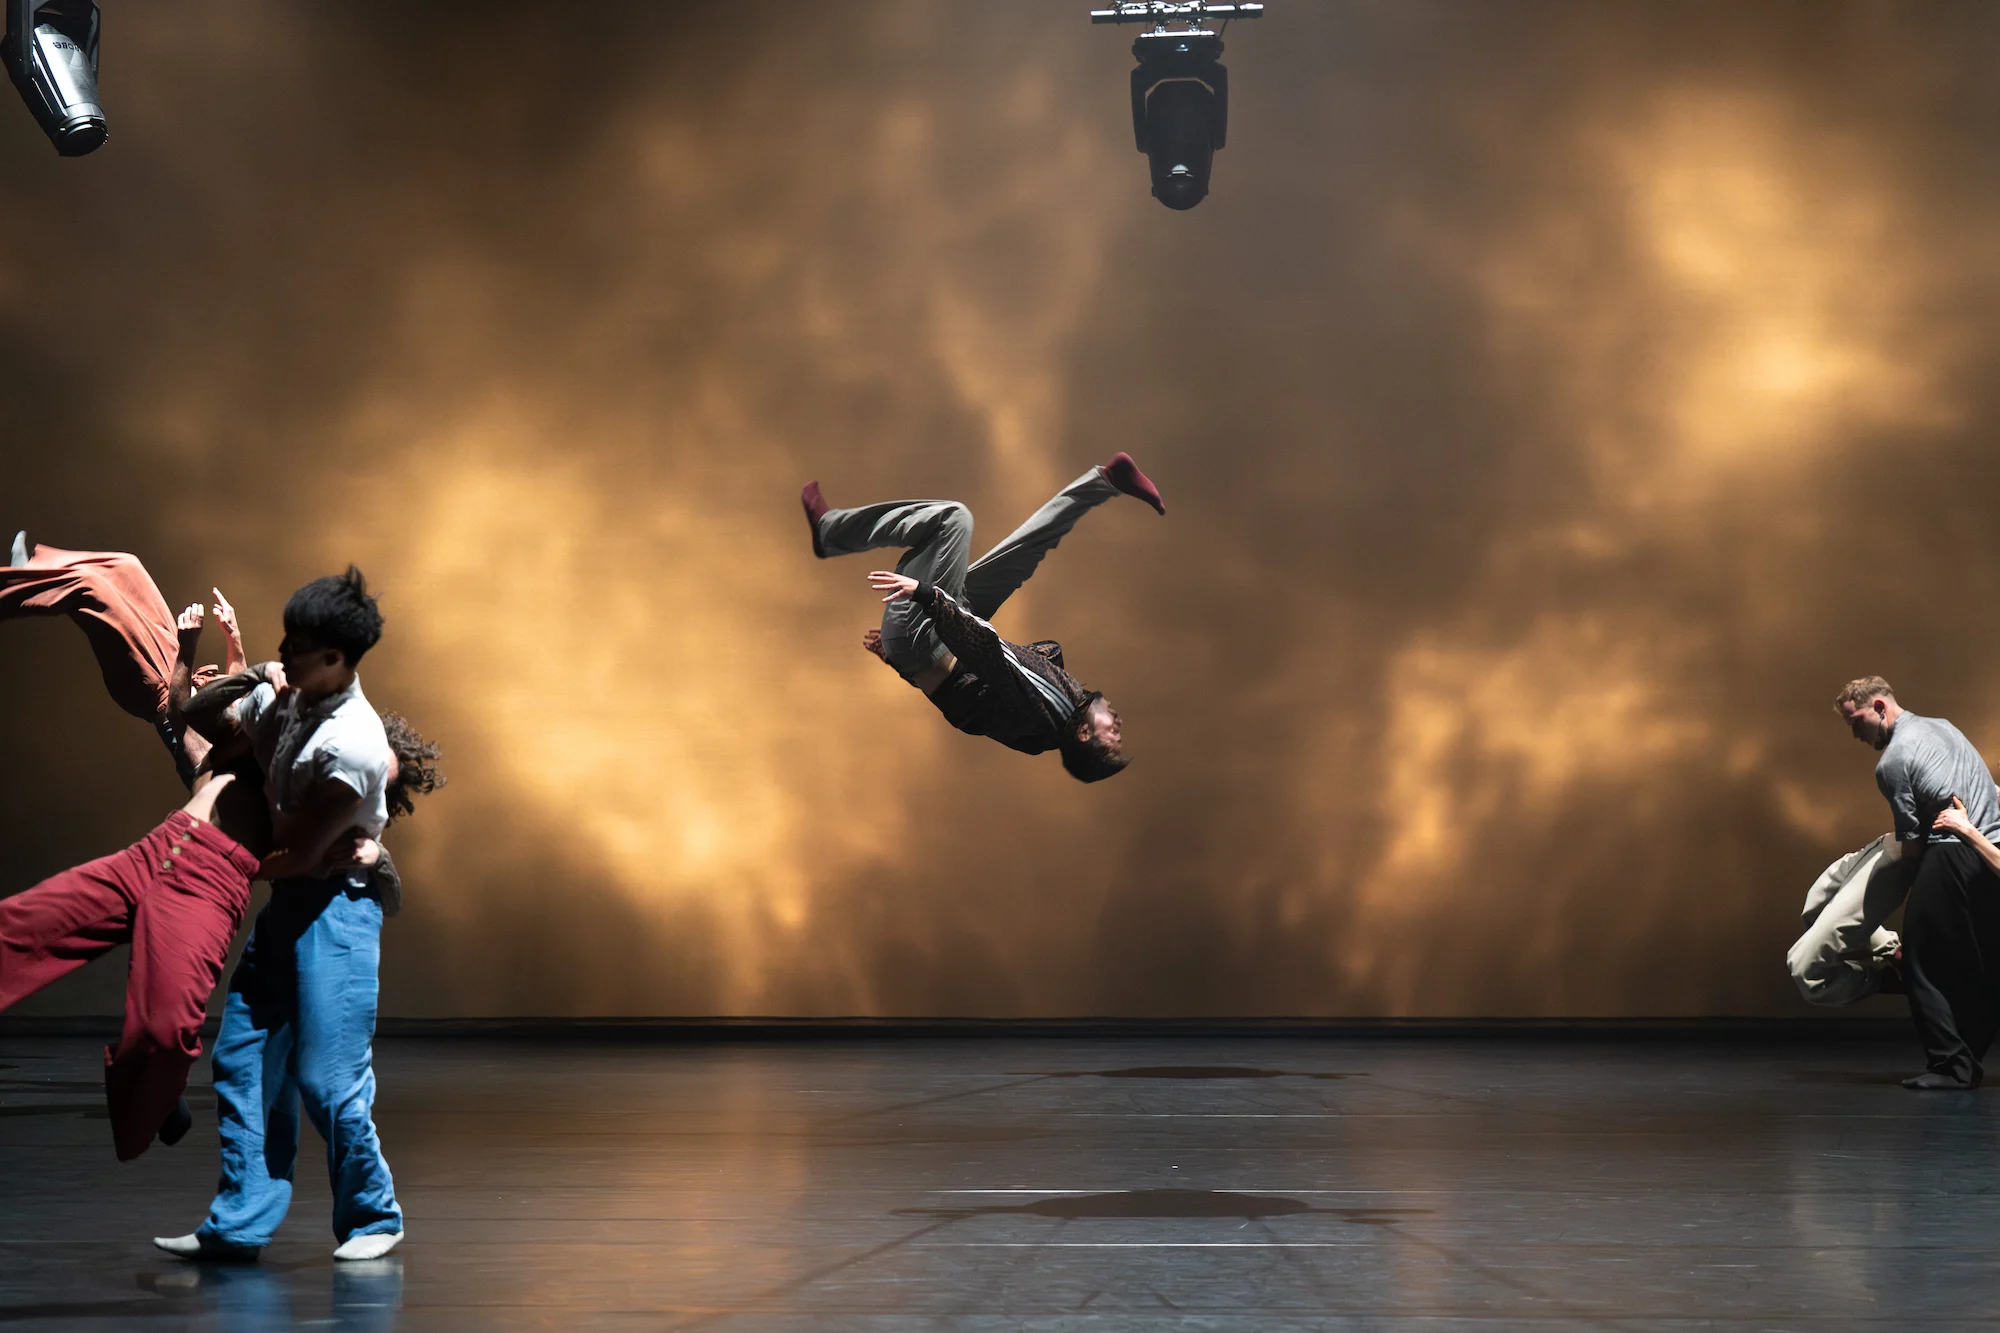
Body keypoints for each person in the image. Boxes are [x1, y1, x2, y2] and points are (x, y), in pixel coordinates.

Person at [154, 567, 419, 1262]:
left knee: (327, 1077)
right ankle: (238, 1223)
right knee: (241, 1057)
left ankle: (373, 1216)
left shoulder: (350, 744)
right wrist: (232, 676)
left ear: (336, 658)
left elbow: (301, 855)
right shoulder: (292, 696)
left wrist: (212, 863)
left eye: (299, 646)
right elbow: (204, 722)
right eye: (287, 639)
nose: (286, 650)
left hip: (338, 907)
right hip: (290, 904)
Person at [800, 453, 1164, 782]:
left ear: (1084, 735)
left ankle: (831, 532)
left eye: (1111, 739)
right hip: (933, 641)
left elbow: (989, 654)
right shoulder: (1048, 722)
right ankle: (1104, 481)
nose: (1118, 726)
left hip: (929, 636)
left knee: (954, 520)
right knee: (1026, 550)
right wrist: (906, 666)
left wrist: (927, 598)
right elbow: (970, 706)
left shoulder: (1053, 711)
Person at [1835, 676, 2000, 1089]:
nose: (1855, 734)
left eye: (1856, 722)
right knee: (1976, 963)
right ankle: (1966, 1061)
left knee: (1920, 963)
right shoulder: (1944, 726)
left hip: (1950, 853)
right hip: (1989, 852)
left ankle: (1950, 1067)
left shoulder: (1891, 763)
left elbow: (1912, 849)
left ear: (1878, 707)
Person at [4, 531, 245, 785]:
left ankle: (12, 590)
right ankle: (30, 573)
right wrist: (234, 637)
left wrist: (187, 649)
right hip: (176, 669)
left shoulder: (222, 777)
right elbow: (241, 695)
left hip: (158, 689)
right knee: (127, 567)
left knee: (90, 588)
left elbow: (178, 717)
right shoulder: (258, 746)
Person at [1787, 835, 1913, 1006]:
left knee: (1808, 971)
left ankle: (1893, 978)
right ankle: (1894, 955)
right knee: (1815, 912)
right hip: (1890, 842)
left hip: (1908, 846)